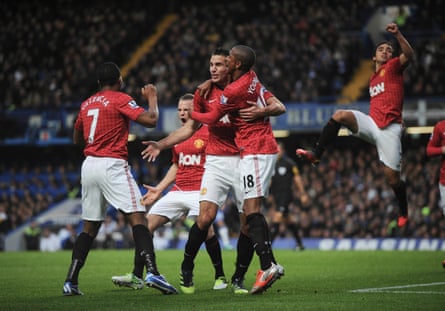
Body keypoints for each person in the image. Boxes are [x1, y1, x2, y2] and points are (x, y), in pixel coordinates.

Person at [141, 47, 285, 294]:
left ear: (231, 66)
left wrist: (262, 110)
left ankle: (238, 277)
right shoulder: (203, 92)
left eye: (220, 64)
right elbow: (189, 129)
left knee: (247, 223)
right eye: (211, 64)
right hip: (216, 160)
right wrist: (161, 144)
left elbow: (273, 104)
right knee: (205, 217)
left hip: (243, 157)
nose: (214, 68)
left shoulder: (240, 86)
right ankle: (187, 266)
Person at [62, 62, 177, 296]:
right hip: (111, 164)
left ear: (97, 82)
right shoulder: (119, 98)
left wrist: (95, 143)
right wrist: (152, 97)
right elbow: (151, 119)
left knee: (90, 227)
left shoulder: (86, 103)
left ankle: (70, 281)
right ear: (119, 80)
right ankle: (153, 272)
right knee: (138, 218)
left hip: (89, 165)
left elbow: (77, 137)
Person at [296, 23, 414, 228]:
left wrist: (398, 35)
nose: (386, 51)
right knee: (340, 114)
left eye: (389, 50)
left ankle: (403, 210)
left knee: (393, 180)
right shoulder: (372, 78)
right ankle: (316, 153)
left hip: (389, 129)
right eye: (381, 49)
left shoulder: (394, 66)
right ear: (374, 58)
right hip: (371, 123)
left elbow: (409, 55)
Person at [190, 45, 287, 294]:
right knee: (251, 212)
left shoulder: (233, 90)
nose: (225, 61)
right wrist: (264, 110)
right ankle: (269, 264)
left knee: (252, 212)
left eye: (228, 59)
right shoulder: (253, 78)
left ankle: (267, 266)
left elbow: (211, 118)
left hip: (254, 150)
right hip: (256, 151)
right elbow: (280, 105)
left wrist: (192, 112)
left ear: (236, 65)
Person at [111, 93, 229, 291]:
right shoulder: (178, 136)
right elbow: (177, 165)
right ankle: (136, 276)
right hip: (178, 190)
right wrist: (159, 188)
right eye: (180, 110)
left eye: (187, 109)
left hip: (201, 190)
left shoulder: (210, 133)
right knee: (145, 226)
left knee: (207, 230)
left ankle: (220, 276)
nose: (183, 113)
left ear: (197, 110)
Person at [267, 141, 308, 250]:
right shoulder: (271, 164)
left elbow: (297, 178)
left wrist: (303, 193)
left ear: (283, 151)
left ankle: (268, 246)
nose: (277, 152)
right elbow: (270, 181)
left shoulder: (289, 163)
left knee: (277, 217)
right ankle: (300, 244)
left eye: (278, 150)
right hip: (277, 196)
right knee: (288, 220)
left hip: (286, 195)